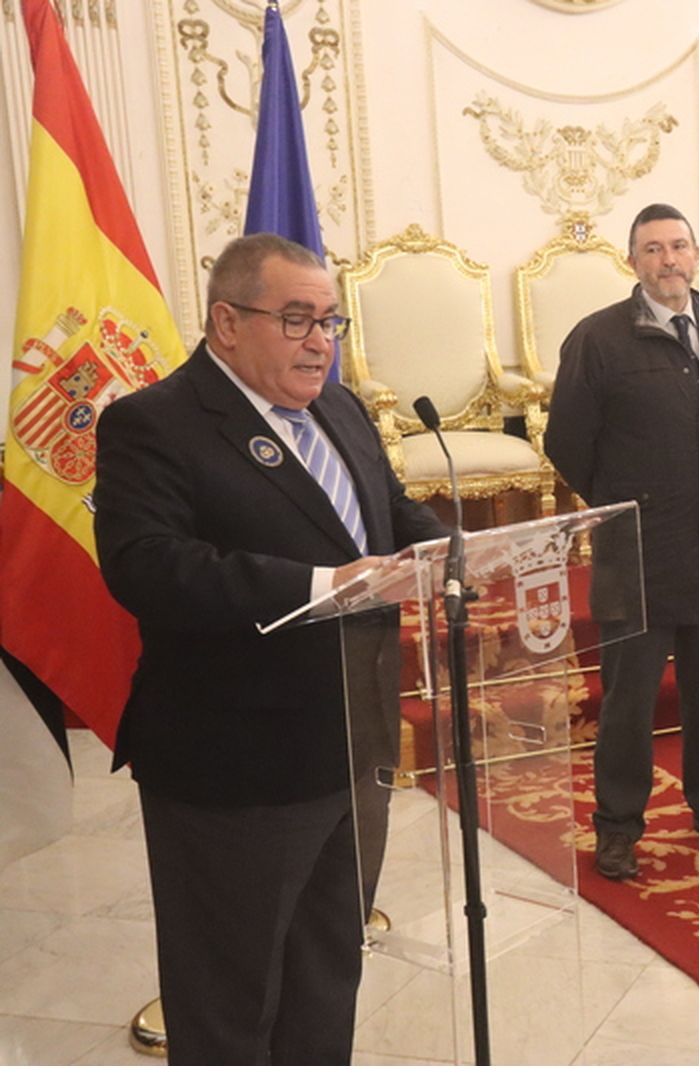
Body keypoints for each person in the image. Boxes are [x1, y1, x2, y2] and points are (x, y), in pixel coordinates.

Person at [93, 233, 449, 1065]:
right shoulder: (154, 424)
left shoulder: (343, 408)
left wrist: (447, 555)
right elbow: (147, 567)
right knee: (230, 992)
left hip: (353, 742)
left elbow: (390, 512)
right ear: (226, 322)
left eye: (331, 320)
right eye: (296, 320)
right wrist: (324, 586)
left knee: (327, 966)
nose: (321, 341)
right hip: (236, 762)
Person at [544, 202, 699, 881]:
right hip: (637, 548)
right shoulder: (598, 339)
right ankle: (618, 826)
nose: (668, 260)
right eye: (653, 249)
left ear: (697, 254)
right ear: (633, 262)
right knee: (629, 700)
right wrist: (623, 505)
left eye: (678, 246)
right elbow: (567, 442)